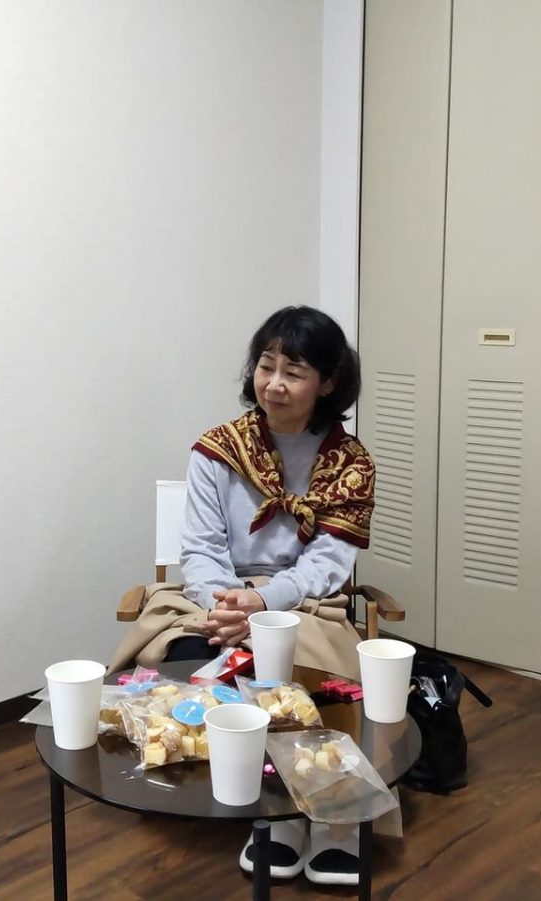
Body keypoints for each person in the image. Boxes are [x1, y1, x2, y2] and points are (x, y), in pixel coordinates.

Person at [110, 304, 376, 886]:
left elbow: (328, 563)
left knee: (313, 675)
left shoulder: (349, 463)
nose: (274, 383)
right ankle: (272, 811)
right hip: (215, 597)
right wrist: (227, 605)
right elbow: (201, 548)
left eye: (294, 371)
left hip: (303, 602)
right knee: (188, 658)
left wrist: (264, 604)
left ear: (328, 382)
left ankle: (327, 813)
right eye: (266, 365)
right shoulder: (217, 449)